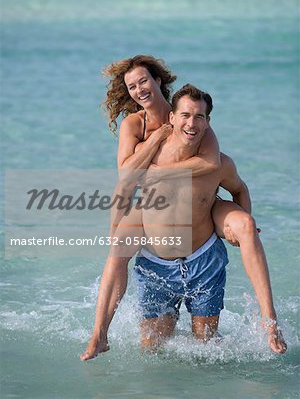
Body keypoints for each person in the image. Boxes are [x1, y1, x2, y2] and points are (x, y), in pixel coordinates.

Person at [80, 57, 286, 360]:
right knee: (152, 346)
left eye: (144, 81)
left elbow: (212, 163)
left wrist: (159, 172)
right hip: (155, 223)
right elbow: (125, 178)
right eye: (132, 86)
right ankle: (99, 335)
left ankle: (270, 324)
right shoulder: (135, 125)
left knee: (206, 350)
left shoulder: (192, 118)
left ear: (159, 81)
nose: (139, 89)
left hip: (200, 226)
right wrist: (157, 141)